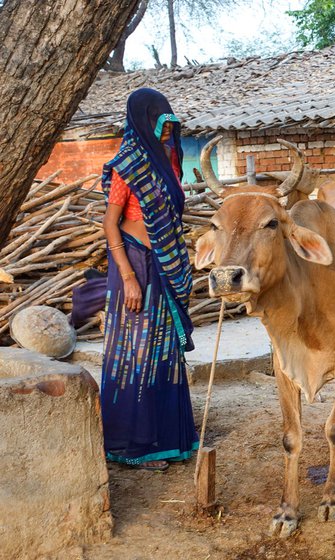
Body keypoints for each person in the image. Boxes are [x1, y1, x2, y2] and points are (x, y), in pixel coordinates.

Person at [99, 88, 198, 471]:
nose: (165, 131)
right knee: (135, 352)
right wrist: (128, 278)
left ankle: (168, 439)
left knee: (164, 352)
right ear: (142, 120)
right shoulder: (128, 164)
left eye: (169, 124)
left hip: (164, 264)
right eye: (159, 124)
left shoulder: (169, 163)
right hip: (135, 264)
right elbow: (110, 224)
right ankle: (132, 444)